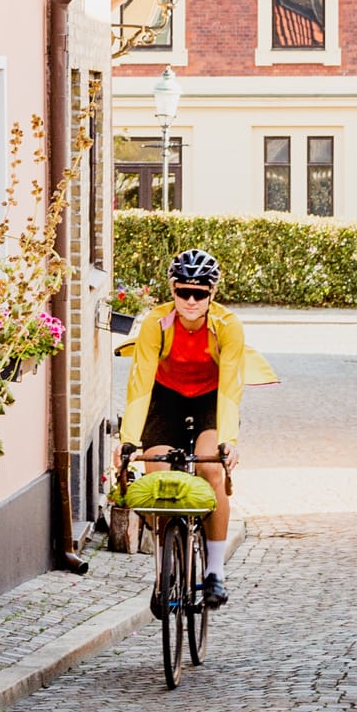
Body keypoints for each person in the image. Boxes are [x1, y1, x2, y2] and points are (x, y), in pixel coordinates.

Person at [119, 247, 254, 607]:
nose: (191, 300)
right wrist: (129, 440)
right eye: (183, 291)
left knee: (211, 468)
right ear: (172, 289)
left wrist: (228, 441)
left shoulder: (227, 326)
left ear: (213, 294)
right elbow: (140, 383)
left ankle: (214, 574)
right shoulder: (156, 323)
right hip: (166, 396)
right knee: (156, 474)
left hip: (211, 397)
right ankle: (164, 567)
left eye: (200, 293)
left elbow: (230, 388)